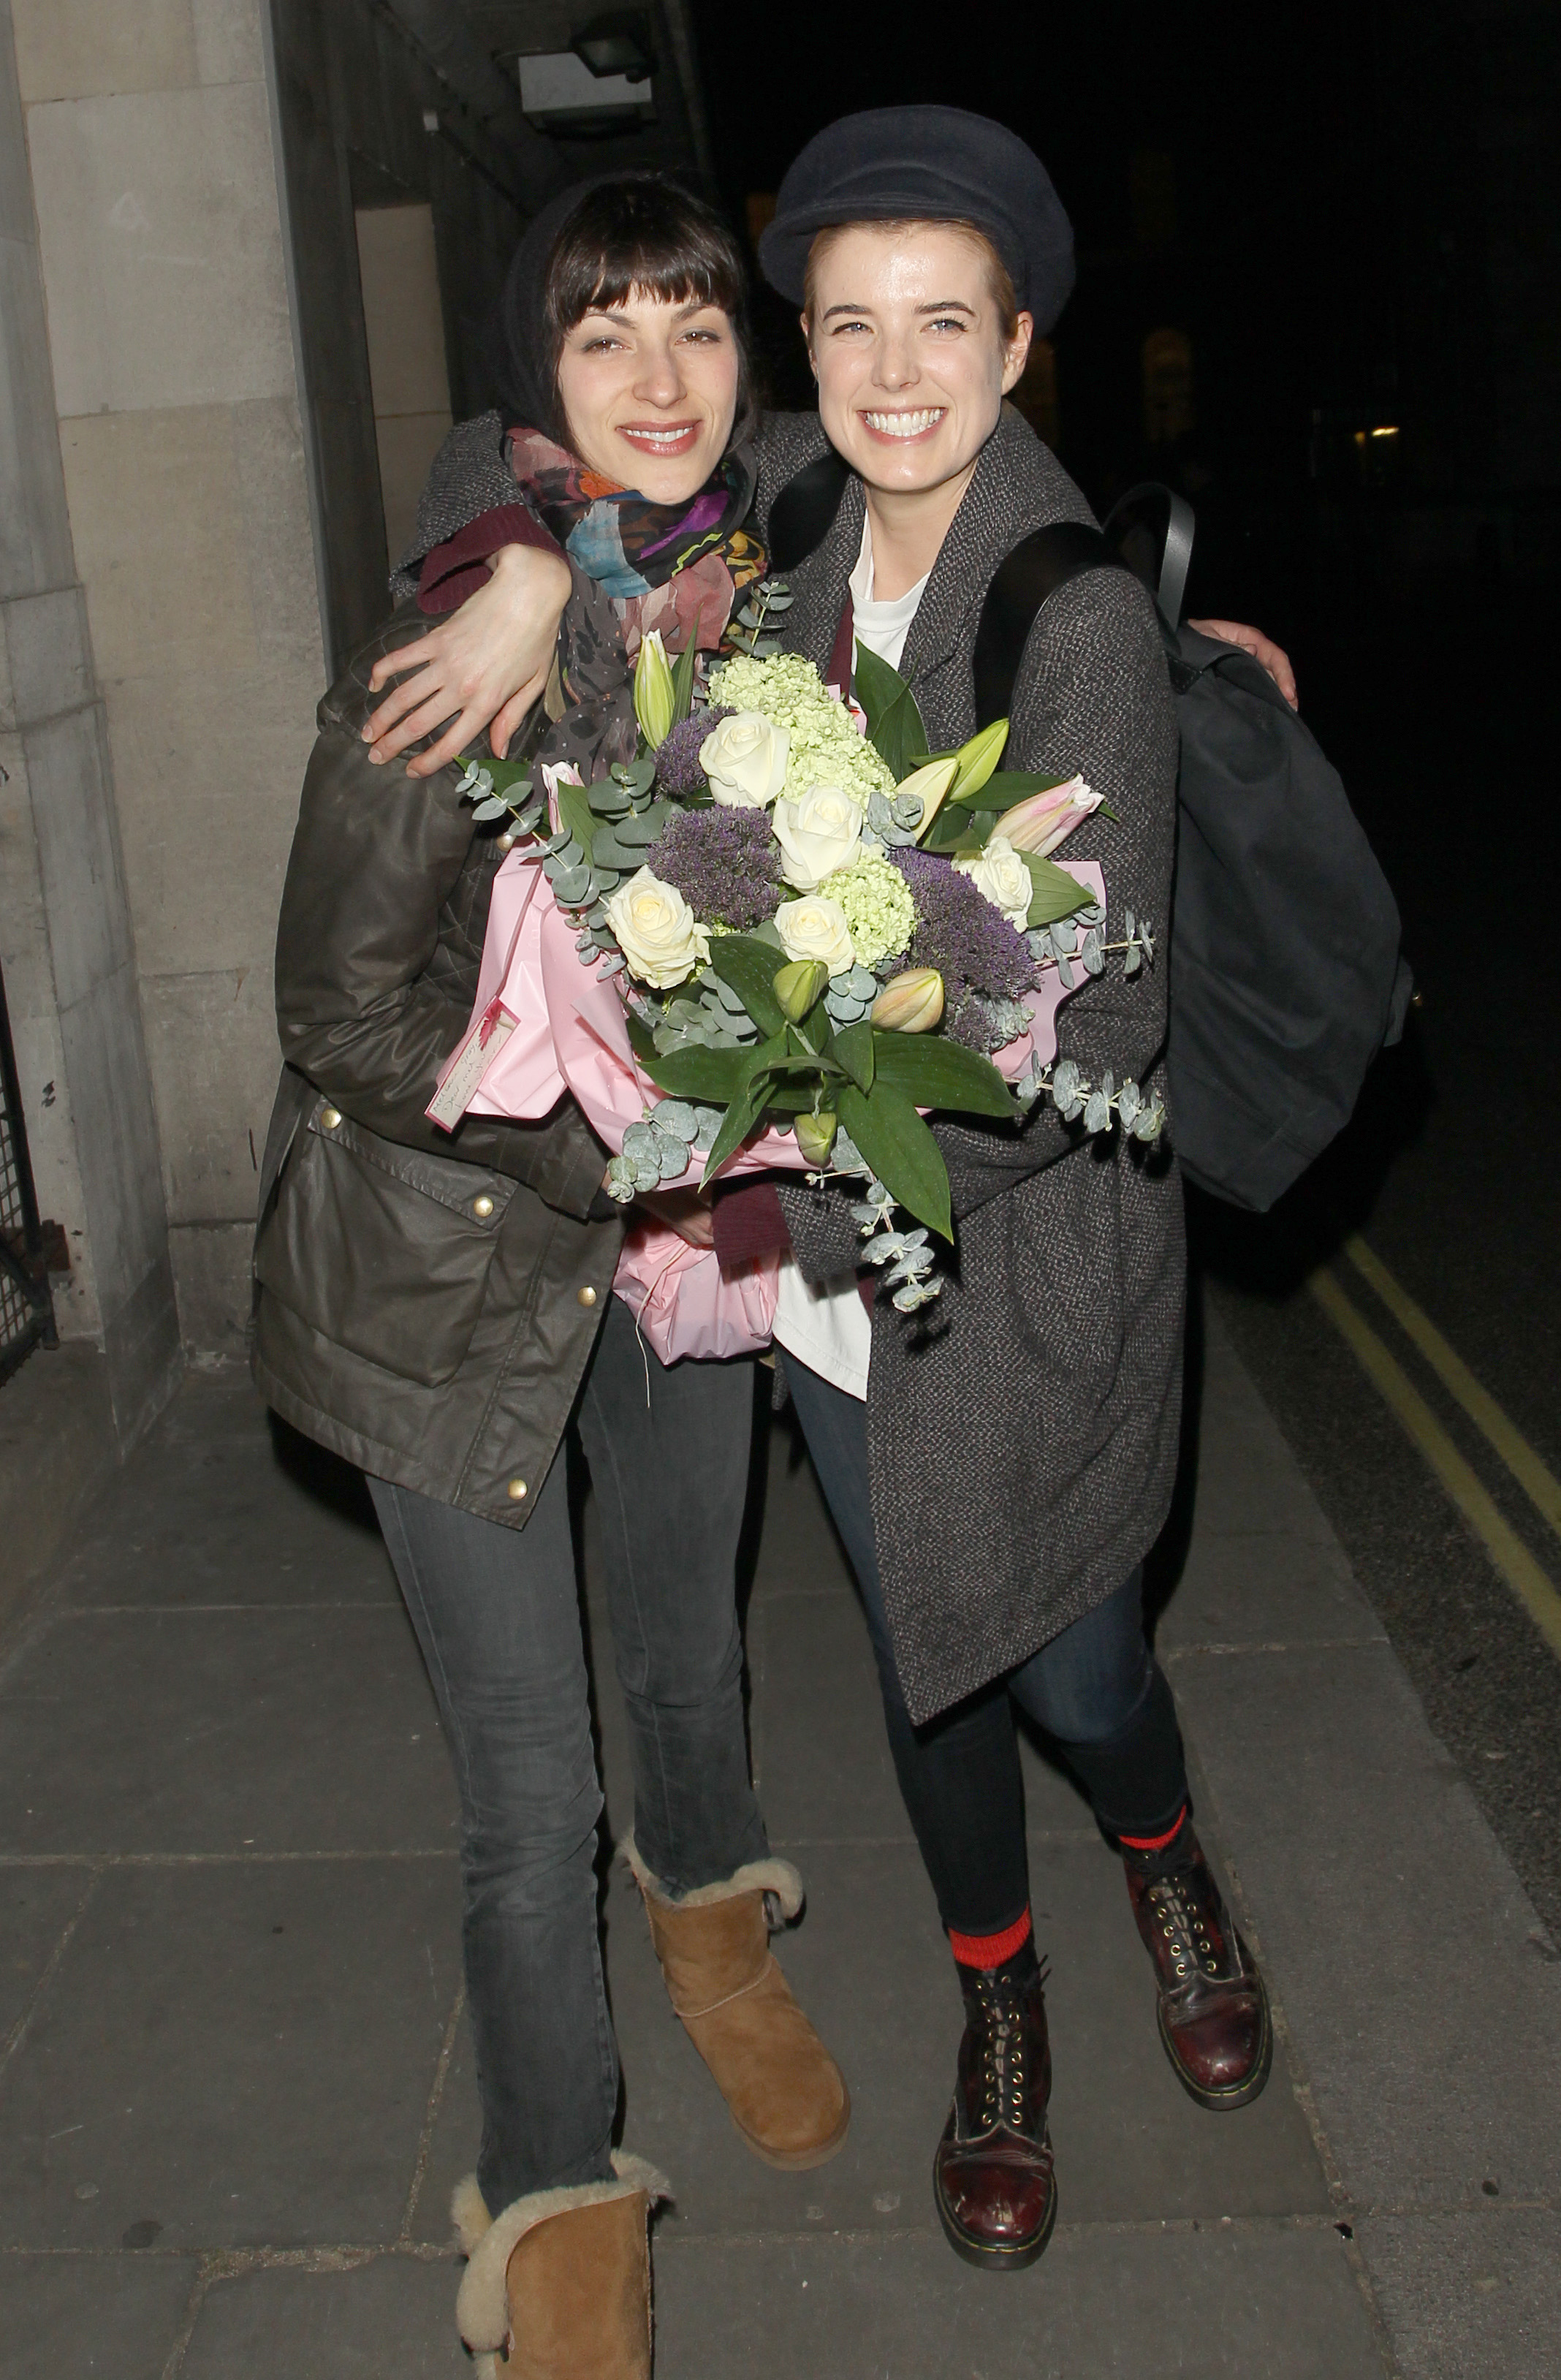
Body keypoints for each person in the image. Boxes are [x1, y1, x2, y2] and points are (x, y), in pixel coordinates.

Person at [369, 115, 1285, 2280]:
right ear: (809, 348)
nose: (893, 373)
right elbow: (545, 427)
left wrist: (803, 1108)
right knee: (925, 1662)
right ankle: (1000, 2002)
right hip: (821, 1282)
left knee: (1073, 1675)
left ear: (1017, 344)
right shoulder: (780, 509)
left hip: (1012, 1262)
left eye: (942, 325)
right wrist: (519, 566)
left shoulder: (1062, 613)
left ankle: (1162, 1849)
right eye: (850, 324)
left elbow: (1107, 1032)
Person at [253, 176, 847, 2380]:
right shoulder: (459, 645)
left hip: (680, 1266)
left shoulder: (763, 607)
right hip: (453, 1282)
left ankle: (716, 1938)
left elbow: (943, 456)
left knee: (689, 1655)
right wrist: (610, 1140)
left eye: (696, 326)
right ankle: (557, 2203)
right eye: (606, 338)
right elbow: (342, 1012)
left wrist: (1172, 655)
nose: (661, 379)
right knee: (527, 1791)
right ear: (538, 374)